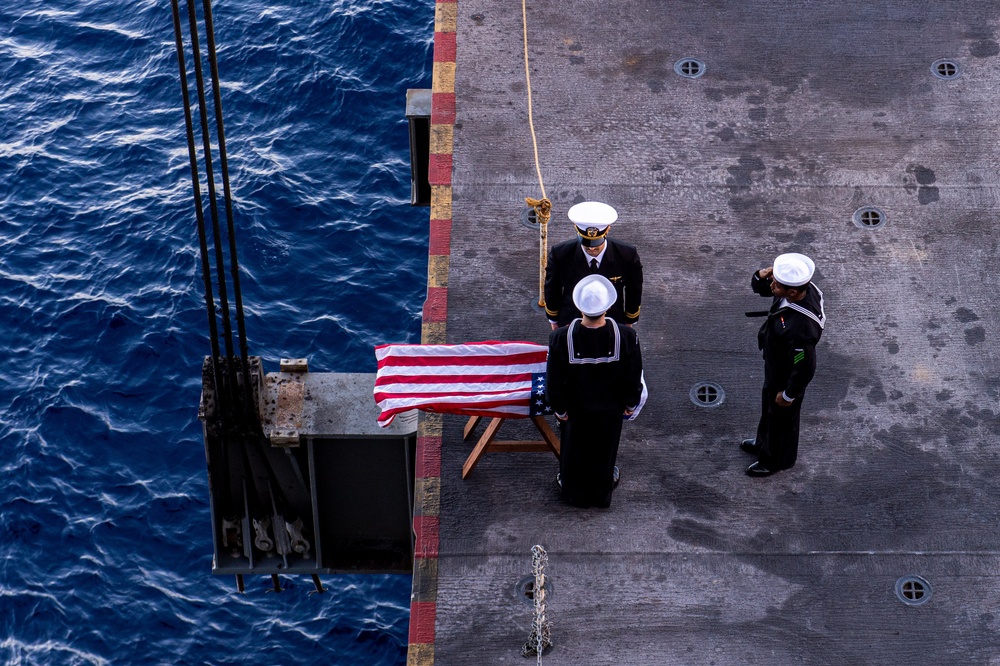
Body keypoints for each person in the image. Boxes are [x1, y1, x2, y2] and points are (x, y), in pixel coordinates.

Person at [546, 274, 644, 507]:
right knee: (606, 449)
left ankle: (571, 490)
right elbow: (634, 376)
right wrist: (630, 404)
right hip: (611, 409)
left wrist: (559, 409)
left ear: (578, 307)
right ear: (608, 306)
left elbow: (554, 380)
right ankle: (601, 493)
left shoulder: (560, 338)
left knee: (573, 449)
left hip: (575, 409)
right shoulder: (627, 336)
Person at [741, 252, 826, 477]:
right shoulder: (796, 288)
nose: (771, 284)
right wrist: (762, 275)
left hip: (786, 374)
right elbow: (760, 287)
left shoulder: (801, 328)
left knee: (781, 419)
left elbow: (804, 364)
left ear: (793, 292)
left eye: (776, 284)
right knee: (768, 407)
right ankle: (762, 443)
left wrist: (789, 394)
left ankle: (774, 460)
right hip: (775, 364)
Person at [543, 201, 643, 330]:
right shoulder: (560, 254)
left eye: (596, 244)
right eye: (587, 244)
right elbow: (552, 288)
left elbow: (634, 289)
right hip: (572, 320)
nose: (591, 249)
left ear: (608, 229)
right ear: (576, 228)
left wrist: (630, 320)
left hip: (611, 322)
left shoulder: (626, 254)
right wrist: (553, 318)